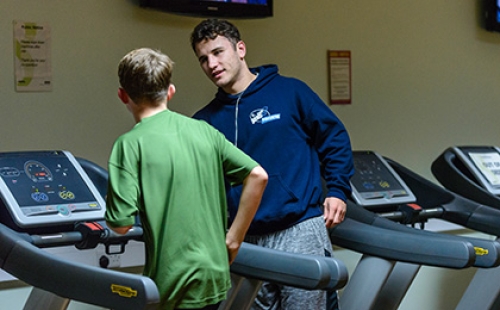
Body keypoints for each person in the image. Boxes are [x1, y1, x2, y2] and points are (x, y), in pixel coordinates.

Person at [190, 19, 354, 310]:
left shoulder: (289, 93)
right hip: (244, 238)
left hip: (299, 229)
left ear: (240, 49)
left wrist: (337, 190)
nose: (211, 63)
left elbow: (335, 138)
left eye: (218, 52)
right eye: (203, 59)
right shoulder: (204, 122)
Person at [104, 47, 268, 310]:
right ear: (170, 91)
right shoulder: (203, 130)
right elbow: (257, 176)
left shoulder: (129, 144)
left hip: (172, 282)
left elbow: (120, 224)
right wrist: (234, 238)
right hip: (214, 275)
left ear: (123, 95)